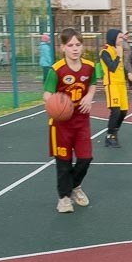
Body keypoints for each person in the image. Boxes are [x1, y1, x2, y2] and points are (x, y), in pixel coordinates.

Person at [44, 27, 102, 213]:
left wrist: (89, 96)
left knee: (86, 158)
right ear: (63, 48)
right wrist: (58, 105)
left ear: (82, 46)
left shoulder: (89, 67)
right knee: (64, 162)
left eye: (78, 44)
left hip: (81, 121)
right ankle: (64, 199)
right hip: (61, 124)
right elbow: (47, 94)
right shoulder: (56, 70)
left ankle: (75, 186)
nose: (75, 48)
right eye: (70, 45)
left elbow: (92, 84)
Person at [99, 28, 132, 148]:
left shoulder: (118, 49)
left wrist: (128, 74)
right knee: (116, 111)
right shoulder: (105, 51)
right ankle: (110, 136)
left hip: (121, 84)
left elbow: (120, 67)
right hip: (111, 84)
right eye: (119, 37)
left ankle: (114, 132)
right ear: (113, 38)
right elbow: (112, 67)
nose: (121, 39)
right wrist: (118, 56)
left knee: (123, 111)